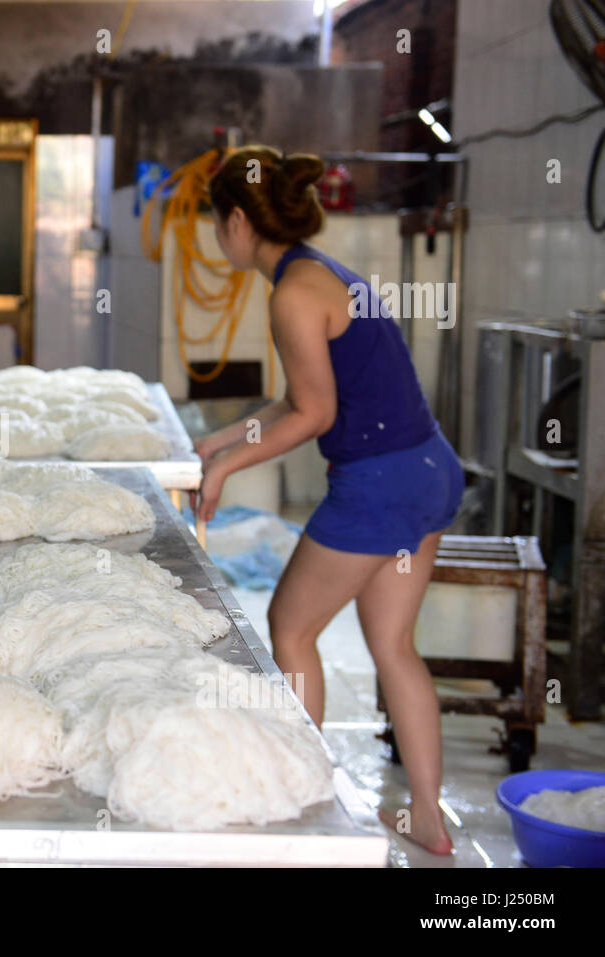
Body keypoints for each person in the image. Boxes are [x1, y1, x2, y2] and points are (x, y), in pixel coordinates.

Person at [191, 145, 464, 856]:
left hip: (381, 484)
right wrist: (221, 440)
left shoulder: (290, 293)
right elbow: (300, 396)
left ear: (240, 221)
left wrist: (225, 472)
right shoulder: (320, 274)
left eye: (217, 219)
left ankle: (304, 798)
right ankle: (427, 816)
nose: (217, 234)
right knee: (393, 646)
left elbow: (313, 415)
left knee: (290, 624)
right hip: (429, 470)